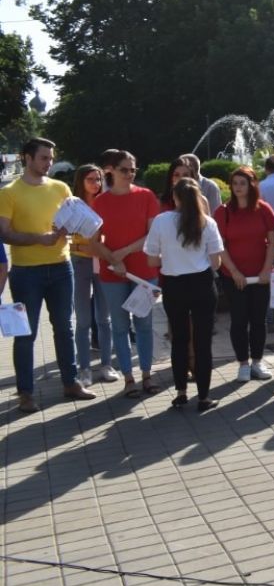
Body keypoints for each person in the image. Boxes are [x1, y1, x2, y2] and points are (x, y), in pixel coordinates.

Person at [0, 137, 95, 412]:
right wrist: (38, 239)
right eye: (44, 158)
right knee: (26, 333)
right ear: (27, 158)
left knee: (64, 327)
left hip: (62, 267)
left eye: (51, 158)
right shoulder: (9, 193)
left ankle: (71, 382)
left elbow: (73, 220)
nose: (49, 163)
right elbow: (4, 233)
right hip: (26, 272)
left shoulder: (60, 188)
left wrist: (72, 228)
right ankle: (26, 393)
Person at [144, 178, 224, 412]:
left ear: (175, 197)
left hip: (174, 285)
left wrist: (171, 257)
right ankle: (204, 396)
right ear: (198, 197)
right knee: (202, 341)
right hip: (202, 284)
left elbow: (151, 260)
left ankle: (180, 392)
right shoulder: (207, 222)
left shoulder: (161, 221)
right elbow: (216, 263)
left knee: (178, 340)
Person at [92, 150, 163, 399]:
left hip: (143, 272)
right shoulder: (100, 202)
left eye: (133, 169)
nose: (130, 174)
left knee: (144, 324)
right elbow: (94, 241)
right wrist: (114, 260)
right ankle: (128, 378)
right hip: (112, 272)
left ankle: (147, 374)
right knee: (120, 326)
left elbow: (152, 235)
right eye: (124, 169)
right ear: (111, 170)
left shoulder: (146, 196)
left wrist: (122, 252)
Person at [214, 166, 274, 382]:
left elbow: (272, 242)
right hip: (234, 276)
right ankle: (242, 363)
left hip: (260, 275)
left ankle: (257, 362)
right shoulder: (223, 211)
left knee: (259, 320)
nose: (238, 187)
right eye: (235, 183)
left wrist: (266, 269)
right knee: (239, 320)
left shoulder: (264, 209)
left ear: (252, 185)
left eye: (243, 183)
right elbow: (220, 246)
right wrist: (234, 272)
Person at [70, 164, 117, 386]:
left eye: (98, 179)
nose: (96, 184)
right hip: (80, 262)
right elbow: (63, 239)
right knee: (83, 320)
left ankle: (107, 365)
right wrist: (82, 248)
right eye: (90, 179)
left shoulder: (106, 202)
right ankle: (84, 369)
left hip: (102, 261)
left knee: (104, 318)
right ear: (81, 181)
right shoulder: (72, 205)